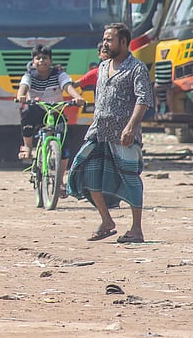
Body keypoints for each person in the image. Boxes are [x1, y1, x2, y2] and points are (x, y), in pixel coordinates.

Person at [67, 23, 154, 243]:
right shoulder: (103, 66)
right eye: (104, 39)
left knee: (130, 178)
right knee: (85, 171)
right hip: (99, 131)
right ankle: (106, 220)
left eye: (110, 40)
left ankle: (136, 229)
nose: (106, 43)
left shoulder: (137, 68)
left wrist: (131, 127)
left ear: (123, 42)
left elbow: (143, 99)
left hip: (123, 133)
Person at [14, 45, 85, 198]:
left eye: (45, 58)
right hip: (37, 110)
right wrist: (21, 95)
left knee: (64, 144)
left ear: (50, 61)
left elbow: (67, 86)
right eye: (38, 58)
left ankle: (60, 181)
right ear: (33, 61)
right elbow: (23, 87)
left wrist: (76, 97)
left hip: (56, 111)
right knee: (27, 112)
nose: (41, 61)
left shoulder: (58, 74)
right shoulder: (29, 75)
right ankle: (27, 146)